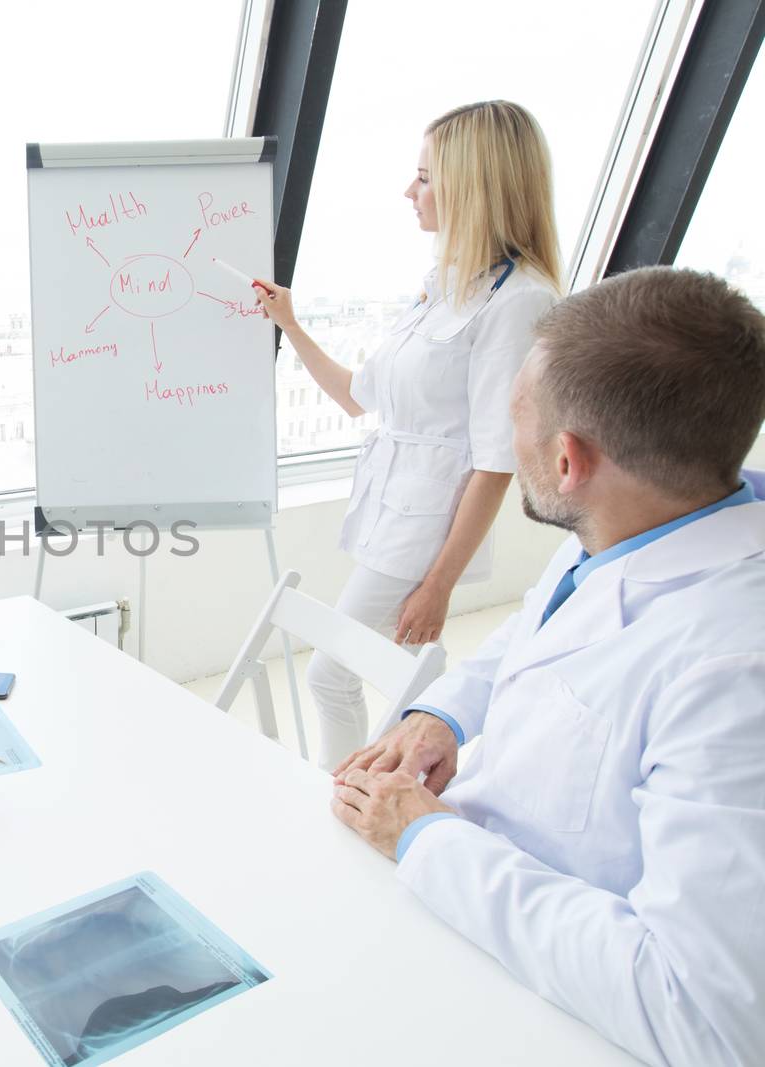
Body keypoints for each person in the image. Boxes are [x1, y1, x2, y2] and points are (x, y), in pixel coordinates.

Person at [330, 267, 765, 1066]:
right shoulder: (653, 512)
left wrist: (427, 840)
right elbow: (531, 635)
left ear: (567, 461)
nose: (504, 438)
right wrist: (448, 713)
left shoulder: (737, 673)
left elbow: (706, 1019)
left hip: (546, 1010)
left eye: (513, 420)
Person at [252, 101, 562, 767]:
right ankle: (407, 777)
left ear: (474, 185)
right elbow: (358, 396)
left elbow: (495, 461)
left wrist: (440, 583)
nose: (408, 192)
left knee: (328, 672)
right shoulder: (444, 286)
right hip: (391, 510)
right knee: (408, 677)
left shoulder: (520, 300)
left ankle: (339, 798)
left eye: (424, 177)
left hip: (426, 529)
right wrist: (291, 323)